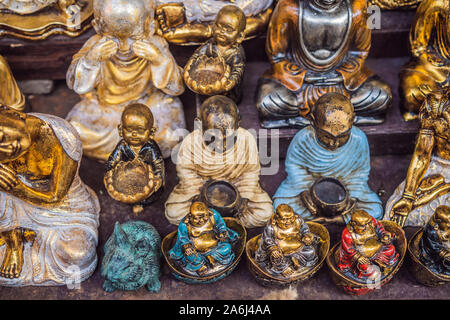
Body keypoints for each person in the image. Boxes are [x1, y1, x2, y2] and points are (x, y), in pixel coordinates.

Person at [66, 0, 185, 161]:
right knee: (76, 131)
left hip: (148, 107)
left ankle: (129, 150)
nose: (123, 46)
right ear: (97, 26)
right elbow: (75, 84)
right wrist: (91, 60)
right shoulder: (95, 45)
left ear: (150, 26)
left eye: (133, 37)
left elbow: (176, 88)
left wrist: (159, 60)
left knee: (171, 135)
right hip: (108, 111)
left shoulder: (155, 45)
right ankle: (136, 151)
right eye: (114, 36)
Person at [0, 106, 99, 285]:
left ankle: (28, 236)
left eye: (1, 137)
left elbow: (54, 197)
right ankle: (14, 240)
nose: (6, 150)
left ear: (8, 111)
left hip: (59, 205)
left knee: (77, 256)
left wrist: (16, 188)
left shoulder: (63, 136)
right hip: (11, 204)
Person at [255, 0, 392, 128]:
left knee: (381, 96)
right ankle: (342, 114)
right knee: (268, 101)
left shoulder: (358, 8)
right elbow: (277, 56)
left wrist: (340, 75)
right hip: (300, 82)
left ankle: (320, 116)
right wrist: (304, 76)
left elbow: (359, 53)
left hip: (340, 80)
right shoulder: (289, 8)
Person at [273, 93, 383, 224]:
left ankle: (335, 219)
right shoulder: (304, 138)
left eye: (342, 136)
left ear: (353, 120)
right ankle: (342, 221)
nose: (333, 144)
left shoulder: (359, 139)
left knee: (375, 210)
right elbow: (295, 166)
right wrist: (304, 192)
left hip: (346, 187)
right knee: (280, 205)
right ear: (313, 122)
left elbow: (359, 173)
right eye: (326, 136)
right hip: (309, 186)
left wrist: (352, 198)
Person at [165, 95, 273, 228]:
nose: (221, 144)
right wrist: (200, 196)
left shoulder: (246, 139)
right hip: (200, 188)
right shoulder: (190, 143)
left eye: (229, 136)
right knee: (174, 213)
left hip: (237, 186)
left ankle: (215, 224)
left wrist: (241, 199)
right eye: (213, 137)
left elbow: (250, 174)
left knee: (265, 212)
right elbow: (187, 175)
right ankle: (226, 223)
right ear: (199, 124)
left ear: (238, 122)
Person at [386, 90, 449, 227]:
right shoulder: (435, 107)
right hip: (437, 166)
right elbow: (422, 155)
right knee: (403, 211)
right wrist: (408, 196)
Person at [105, 104, 164, 214]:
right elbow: (113, 159)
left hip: (147, 179)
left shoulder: (151, 147)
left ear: (151, 132)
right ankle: (133, 202)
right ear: (120, 130)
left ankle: (141, 203)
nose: (134, 134)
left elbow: (158, 163)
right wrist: (110, 170)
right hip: (127, 179)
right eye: (129, 129)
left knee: (150, 193)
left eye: (140, 130)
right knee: (124, 191)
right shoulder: (122, 146)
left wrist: (158, 176)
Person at [184, 5, 246, 102]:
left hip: (227, 89)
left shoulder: (235, 52)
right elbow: (197, 55)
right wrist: (190, 64)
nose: (221, 31)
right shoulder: (210, 44)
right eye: (219, 26)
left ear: (240, 36)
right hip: (208, 83)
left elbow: (238, 69)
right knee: (207, 97)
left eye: (228, 30)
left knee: (226, 101)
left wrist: (231, 82)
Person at [399, 0, 449, 120]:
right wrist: (440, 75)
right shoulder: (435, 5)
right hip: (433, 69)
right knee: (412, 94)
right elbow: (418, 49)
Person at [169, 201, 239, 276]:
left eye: (204, 217)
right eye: (197, 219)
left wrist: (222, 232)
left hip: (215, 246)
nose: (201, 221)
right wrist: (187, 246)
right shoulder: (185, 224)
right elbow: (183, 238)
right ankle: (200, 266)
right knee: (189, 256)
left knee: (227, 247)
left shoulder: (213, 215)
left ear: (208, 212)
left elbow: (220, 224)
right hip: (196, 250)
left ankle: (211, 258)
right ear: (190, 216)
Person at [255, 204, 318, 277]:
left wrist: (307, 236)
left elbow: (305, 229)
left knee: (311, 252)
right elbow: (268, 240)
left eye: (291, 218)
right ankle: (283, 268)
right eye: (284, 219)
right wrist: (273, 249)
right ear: (277, 218)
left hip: (298, 246)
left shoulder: (298, 221)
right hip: (281, 250)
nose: (288, 222)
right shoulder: (271, 227)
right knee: (276, 258)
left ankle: (294, 259)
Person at [338, 210, 399, 281]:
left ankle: (381, 263)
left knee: (391, 249)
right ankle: (369, 274)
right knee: (364, 266)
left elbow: (380, 229)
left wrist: (384, 236)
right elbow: (348, 249)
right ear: (354, 224)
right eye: (363, 225)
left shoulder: (371, 221)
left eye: (369, 223)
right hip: (361, 255)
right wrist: (358, 257)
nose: (368, 227)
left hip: (377, 247)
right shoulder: (347, 234)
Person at [419, 205, 450, 276]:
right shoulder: (432, 232)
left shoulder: (438, 222)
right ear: (439, 221)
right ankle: (443, 269)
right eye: (448, 223)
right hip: (432, 254)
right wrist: (446, 253)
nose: (449, 225)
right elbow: (435, 248)